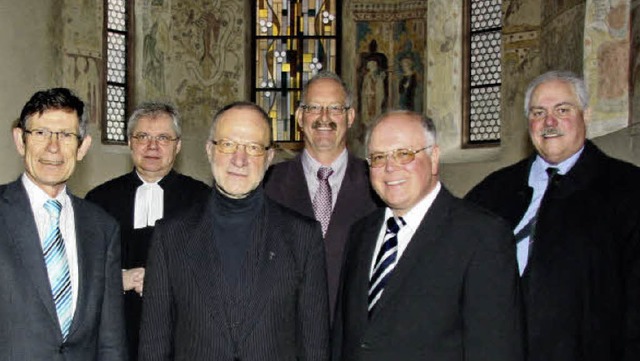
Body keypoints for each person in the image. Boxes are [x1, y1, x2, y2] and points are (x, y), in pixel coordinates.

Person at [465, 70, 640, 361]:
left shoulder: (628, 189)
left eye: (562, 110)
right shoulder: (494, 189)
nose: (549, 122)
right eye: (538, 112)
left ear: (586, 115)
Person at [138, 101, 330, 360]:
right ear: (209, 150)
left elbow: (315, 348)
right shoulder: (170, 236)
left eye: (253, 147)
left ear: (269, 157)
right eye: (228, 145)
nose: (239, 160)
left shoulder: (303, 237)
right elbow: (153, 346)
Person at [333, 110, 523, 361]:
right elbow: (344, 338)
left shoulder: (482, 236)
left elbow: (496, 349)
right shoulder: (361, 232)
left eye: (404, 154)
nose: (390, 167)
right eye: (378, 157)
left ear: (433, 158)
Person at [0, 88, 126, 360]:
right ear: (20, 140)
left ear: (83, 147)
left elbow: (111, 340)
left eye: (66, 135)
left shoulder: (103, 228)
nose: (53, 147)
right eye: (41, 133)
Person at [85, 101, 209, 360]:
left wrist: (165, 281)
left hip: (183, 333)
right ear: (130, 142)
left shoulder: (203, 200)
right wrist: (120, 279)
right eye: (143, 136)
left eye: (163, 137)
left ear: (178, 146)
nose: (152, 146)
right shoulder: (99, 199)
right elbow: (83, 273)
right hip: (118, 330)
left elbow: (216, 272)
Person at [264, 71, 382, 320]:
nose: (324, 118)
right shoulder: (268, 183)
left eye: (335, 109)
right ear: (299, 116)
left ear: (350, 117)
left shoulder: (379, 183)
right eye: (314, 107)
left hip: (353, 334)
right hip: (285, 334)